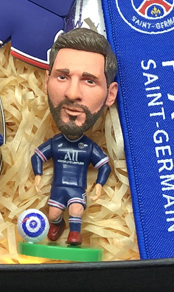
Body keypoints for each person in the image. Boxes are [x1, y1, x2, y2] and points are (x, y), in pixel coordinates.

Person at [30, 28, 118, 246]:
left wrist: (99, 184)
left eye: (89, 81)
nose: (72, 93)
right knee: (53, 214)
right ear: (46, 82)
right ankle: (57, 224)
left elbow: (104, 166)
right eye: (62, 77)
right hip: (57, 191)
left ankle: (75, 235)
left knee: (77, 210)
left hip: (78, 191)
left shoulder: (89, 147)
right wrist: (37, 174)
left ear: (110, 94)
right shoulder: (55, 143)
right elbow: (38, 155)